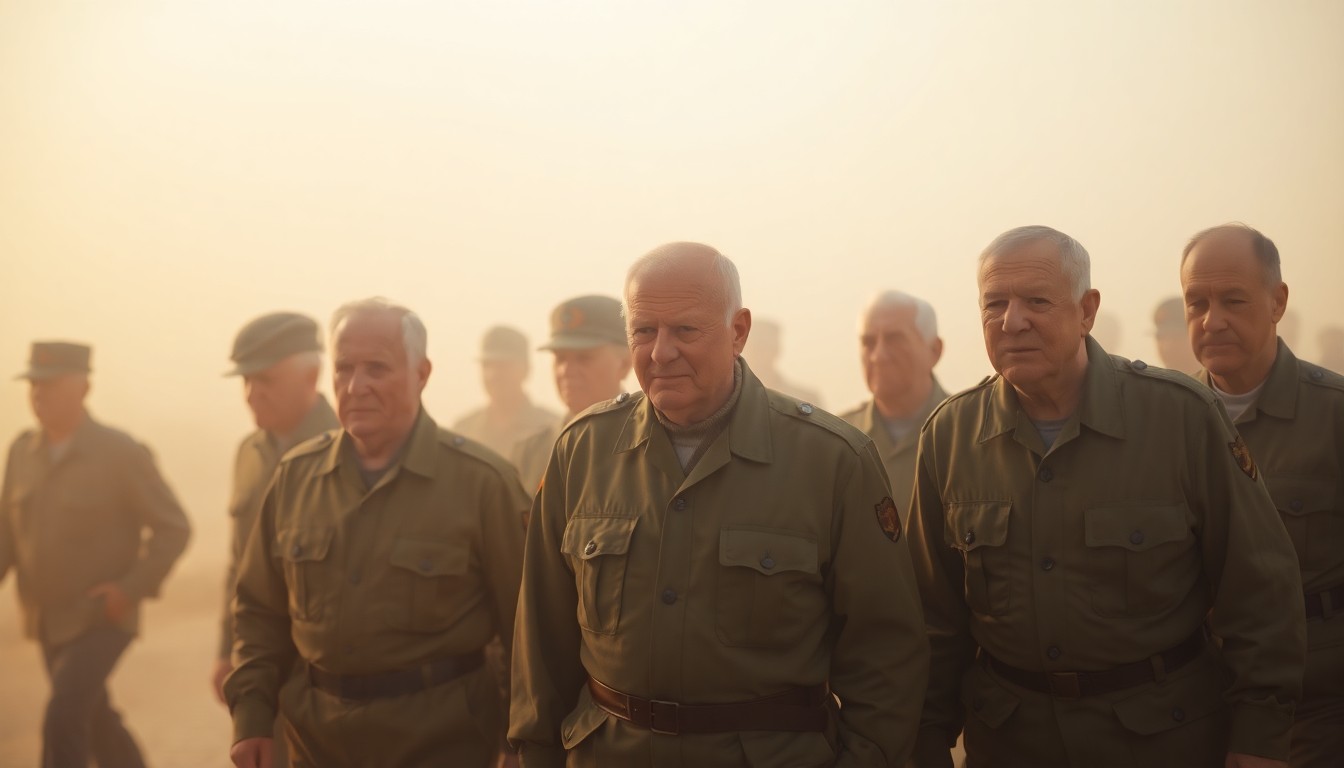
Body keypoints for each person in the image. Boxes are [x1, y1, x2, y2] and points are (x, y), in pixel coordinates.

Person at [509, 242, 929, 767]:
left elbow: (886, 655)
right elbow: (541, 646)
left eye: (685, 330)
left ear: (738, 331)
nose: (661, 352)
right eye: (644, 331)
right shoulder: (582, 451)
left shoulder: (831, 461)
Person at [906, 226, 1305, 768]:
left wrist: (1259, 738)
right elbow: (934, 622)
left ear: (1087, 310)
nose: (1011, 321)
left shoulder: (1180, 418)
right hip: (1012, 744)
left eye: (1036, 301)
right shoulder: (951, 438)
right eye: (994, 303)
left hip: (1163, 742)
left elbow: (1260, 591)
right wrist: (926, 743)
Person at [224, 298, 530, 768]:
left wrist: (520, 744)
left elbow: (524, 632)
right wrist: (251, 717)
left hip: (441, 744)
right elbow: (259, 613)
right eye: (344, 368)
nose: (356, 386)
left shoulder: (483, 483)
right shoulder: (294, 478)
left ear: (421, 373)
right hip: (316, 743)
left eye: (377, 368)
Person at [1180, 223, 1344, 768]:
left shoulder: (1333, 416)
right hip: (1195, 709)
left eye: (1233, 300)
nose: (1212, 320)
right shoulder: (1163, 424)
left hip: (1317, 711)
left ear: (1277, 302)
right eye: (1196, 302)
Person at [0, 341, 191, 768]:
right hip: (48, 619)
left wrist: (130, 589)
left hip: (101, 617)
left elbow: (174, 527)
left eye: (50, 384)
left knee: (63, 716)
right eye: (33, 384)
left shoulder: (119, 452)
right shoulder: (20, 453)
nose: (38, 394)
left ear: (83, 387)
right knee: (96, 720)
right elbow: (6, 538)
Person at [211, 312, 340, 768]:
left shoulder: (353, 444)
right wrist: (226, 650)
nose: (252, 394)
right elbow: (238, 566)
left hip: (335, 673)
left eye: (266, 379)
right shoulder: (249, 453)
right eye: (246, 380)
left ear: (311, 375)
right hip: (264, 659)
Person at [839, 290, 948, 520]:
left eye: (894, 339)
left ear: (934, 350)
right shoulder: (837, 439)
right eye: (868, 342)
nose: (878, 356)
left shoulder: (970, 433)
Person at [511, 294, 632, 491]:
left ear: (625, 363)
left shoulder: (649, 444)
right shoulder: (529, 452)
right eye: (560, 359)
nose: (566, 370)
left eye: (584, 358)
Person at [453, 325, 559, 459]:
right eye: (487, 365)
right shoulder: (464, 430)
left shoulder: (551, 430)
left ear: (526, 369)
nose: (492, 375)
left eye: (502, 366)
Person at [747, 318, 824, 407]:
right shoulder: (730, 398)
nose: (761, 352)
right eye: (757, 345)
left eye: (767, 346)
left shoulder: (807, 400)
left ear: (777, 348)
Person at [1152, 296, 1201, 374]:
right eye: (1160, 337)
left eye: (1175, 337)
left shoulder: (1217, 382)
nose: (1166, 346)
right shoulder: (1155, 384)